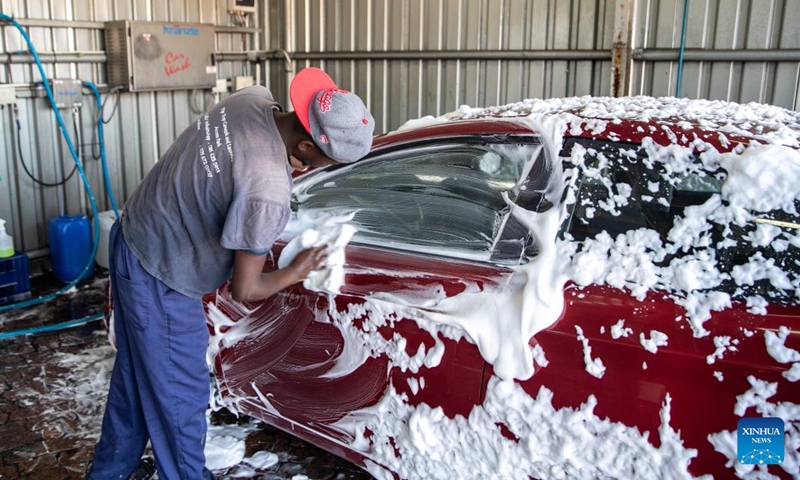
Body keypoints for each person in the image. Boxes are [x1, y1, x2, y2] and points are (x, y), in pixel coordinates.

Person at [87, 67, 374, 479]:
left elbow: (232, 165)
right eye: (326, 161)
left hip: (133, 233)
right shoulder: (266, 190)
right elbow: (246, 288)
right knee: (180, 398)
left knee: (136, 382)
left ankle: (109, 472)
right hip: (163, 274)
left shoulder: (251, 99)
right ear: (307, 147)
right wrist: (296, 270)